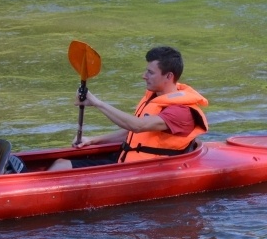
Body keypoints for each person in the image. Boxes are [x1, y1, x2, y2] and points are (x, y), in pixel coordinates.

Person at [48, 46, 208, 170]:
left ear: (169, 76)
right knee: (61, 163)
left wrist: (98, 103)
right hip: (127, 160)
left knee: (61, 167)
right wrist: (93, 140)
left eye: (150, 72)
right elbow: (132, 133)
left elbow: (138, 126)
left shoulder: (180, 111)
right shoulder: (155, 97)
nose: (144, 76)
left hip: (147, 170)